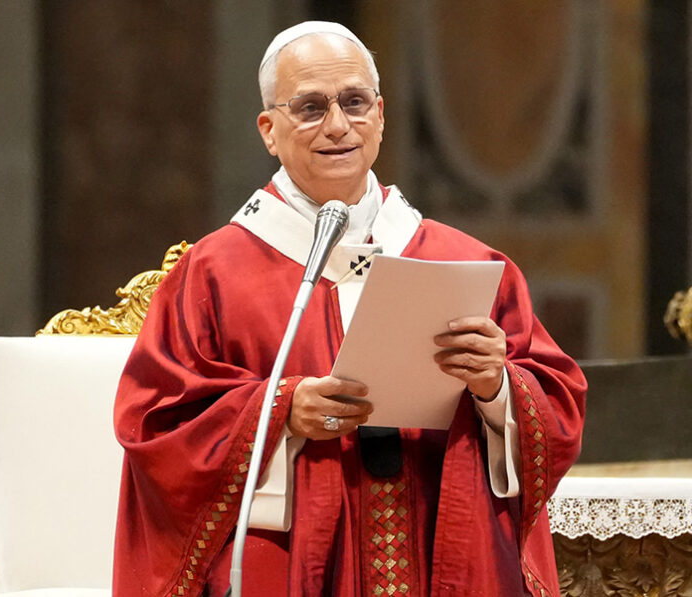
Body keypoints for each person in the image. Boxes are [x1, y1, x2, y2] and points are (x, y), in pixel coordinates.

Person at [113, 21, 585, 597]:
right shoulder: (213, 274)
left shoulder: (465, 261)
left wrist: (496, 386)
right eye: (310, 107)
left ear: (381, 115)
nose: (338, 126)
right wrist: (282, 411)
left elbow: (557, 408)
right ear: (268, 129)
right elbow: (156, 425)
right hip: (289, 559)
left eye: (355, 102)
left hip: (438, 542)